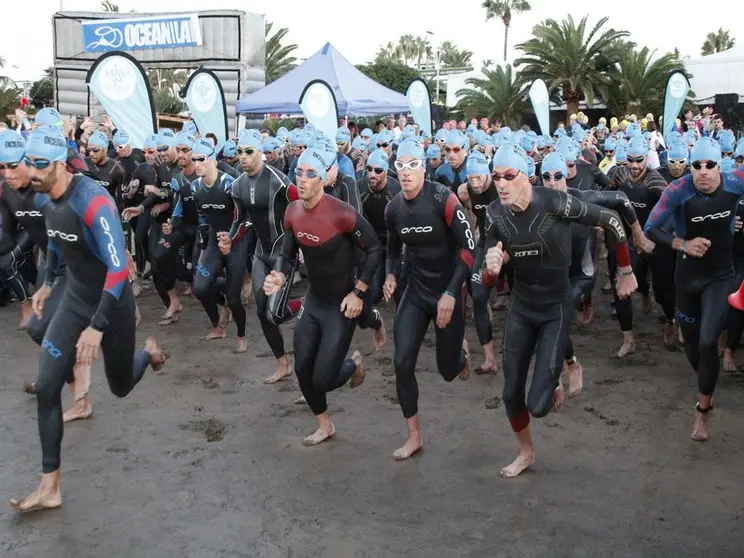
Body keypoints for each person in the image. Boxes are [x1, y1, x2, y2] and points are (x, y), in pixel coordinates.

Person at [10, 125, 166, 513]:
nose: (32, 171)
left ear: (60, 163)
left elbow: (116, 271)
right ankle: (50, 487)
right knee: (47, 386)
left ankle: (148, 355)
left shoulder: (93, 202)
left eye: (40, 164)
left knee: (120, 385)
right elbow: (55, 245)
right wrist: (47, 284)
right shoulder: (49, 202)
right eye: (29, 162)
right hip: (76, 299)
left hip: (111, 307)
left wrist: (96, 328)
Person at [482, 144, 637, 478]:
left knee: (538, 406)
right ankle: (526, 453)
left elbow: (610, 218)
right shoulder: (494, 213)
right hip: (522, 308)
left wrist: (625, 269)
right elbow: (487, 266)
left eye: (510, 176)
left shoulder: (553, 202)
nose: (502, 183)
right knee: (510, 392)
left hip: (556, 307)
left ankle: (560, 373)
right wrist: (490, 266)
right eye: (496, 177)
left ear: (527, 175)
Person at [263, 147, 379, 446]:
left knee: (323, 378)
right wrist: (278, 275)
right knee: (302, 369)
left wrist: (358, 293)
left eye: (311, 174)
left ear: (324, 179)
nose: (302, 179)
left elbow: (375, 249)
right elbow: (287, 254)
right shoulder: (292, 211)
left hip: (342, 304)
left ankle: (354, 364)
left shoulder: (342, 213)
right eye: (299, 172)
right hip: (315, 301)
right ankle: (325, 425)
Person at [644, 137, 744, 442]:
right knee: (693, 351)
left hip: (720, 276)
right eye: (696, 165)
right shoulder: (679, 190)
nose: (702, 171)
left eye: (709, 165)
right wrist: (682, 243)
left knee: (706, 341)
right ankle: (707, 382)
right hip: (687, 279)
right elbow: (651, 228)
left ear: (719, 166)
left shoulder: (735, 182)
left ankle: (702, 411)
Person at [384, 139, 475, 461]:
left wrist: (451, 292)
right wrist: (391, 275)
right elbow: (393, 252)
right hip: (417, 291)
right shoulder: (393, 208)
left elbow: (468, 249)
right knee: (402, 362)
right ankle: (414, 437)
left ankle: (460, 354)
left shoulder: (443, 199)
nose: (406, 173)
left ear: (424, 167)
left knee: (448, 371)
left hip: (448, 290)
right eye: (400, 166)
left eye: (412, 166)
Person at [540, 151, 647, 394]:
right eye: (546, 177)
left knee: (559, 315)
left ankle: (559, 374)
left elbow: (620, 198)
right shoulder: (536, 202)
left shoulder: (581, 199)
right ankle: (571, 363)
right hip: (554, 274)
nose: (552, 182)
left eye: (558, 176)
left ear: (566, 176)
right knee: (550, 317)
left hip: (582, 274)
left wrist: (637, 233)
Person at [220, 129, 303, 383]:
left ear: (260, 153)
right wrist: (229, 240)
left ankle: (306, 305)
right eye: (239, 152)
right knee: (261, 311)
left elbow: (299, 212)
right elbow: (240, 220)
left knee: (274, 314)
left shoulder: (279, 181)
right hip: (261, 254)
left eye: (249, 151)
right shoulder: (237, 185)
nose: (242, 157)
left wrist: (301, 248)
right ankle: (283, 364)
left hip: (282, 253)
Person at [188, 138, 247, 351]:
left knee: (234, 296)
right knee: (200, 287)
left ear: (213, 160)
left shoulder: (229, 184)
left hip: (236, 241)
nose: (196, 164)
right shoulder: (195, 187)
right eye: (193, 159)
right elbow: (202, 217)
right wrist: (204, 247)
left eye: (201, 159)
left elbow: (245, 217)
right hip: (215, 240)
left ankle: (241, 335)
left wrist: (231, 237)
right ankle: (218, 325)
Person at [457, 151, 499, 374]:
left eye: (479, 178)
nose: (475, 183)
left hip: (511, 245)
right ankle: (490, 359)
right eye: (470, 178)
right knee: (479, 297)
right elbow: (469, 215)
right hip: (485, 244)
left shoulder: (501, 189)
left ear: (489, 174)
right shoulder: (466, 190)